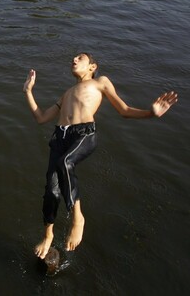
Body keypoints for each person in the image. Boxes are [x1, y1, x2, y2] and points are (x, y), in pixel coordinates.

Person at [23, 53, 177, 259]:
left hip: (83, 134)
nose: (74, 60)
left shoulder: (100, 83)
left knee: (65, 162)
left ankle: (78, 219)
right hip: (59, 138)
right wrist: (28, 91)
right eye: (73, 59)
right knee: (51, 190)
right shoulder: (66, 93)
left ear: (92, 66)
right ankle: (48, 235)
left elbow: (124, 110)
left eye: (80, 58)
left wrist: (151, 113)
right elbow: (41, 118)